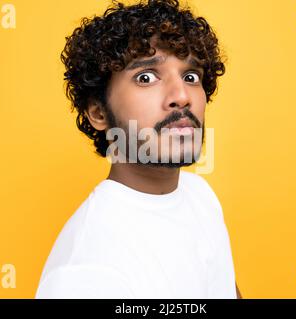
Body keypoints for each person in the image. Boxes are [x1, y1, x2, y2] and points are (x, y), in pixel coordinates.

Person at [35, 0, 242, 299]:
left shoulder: (200, 194)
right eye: (146, 77)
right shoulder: (87, 272)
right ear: (98, 113)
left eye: (190, 76)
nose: (182, 96)